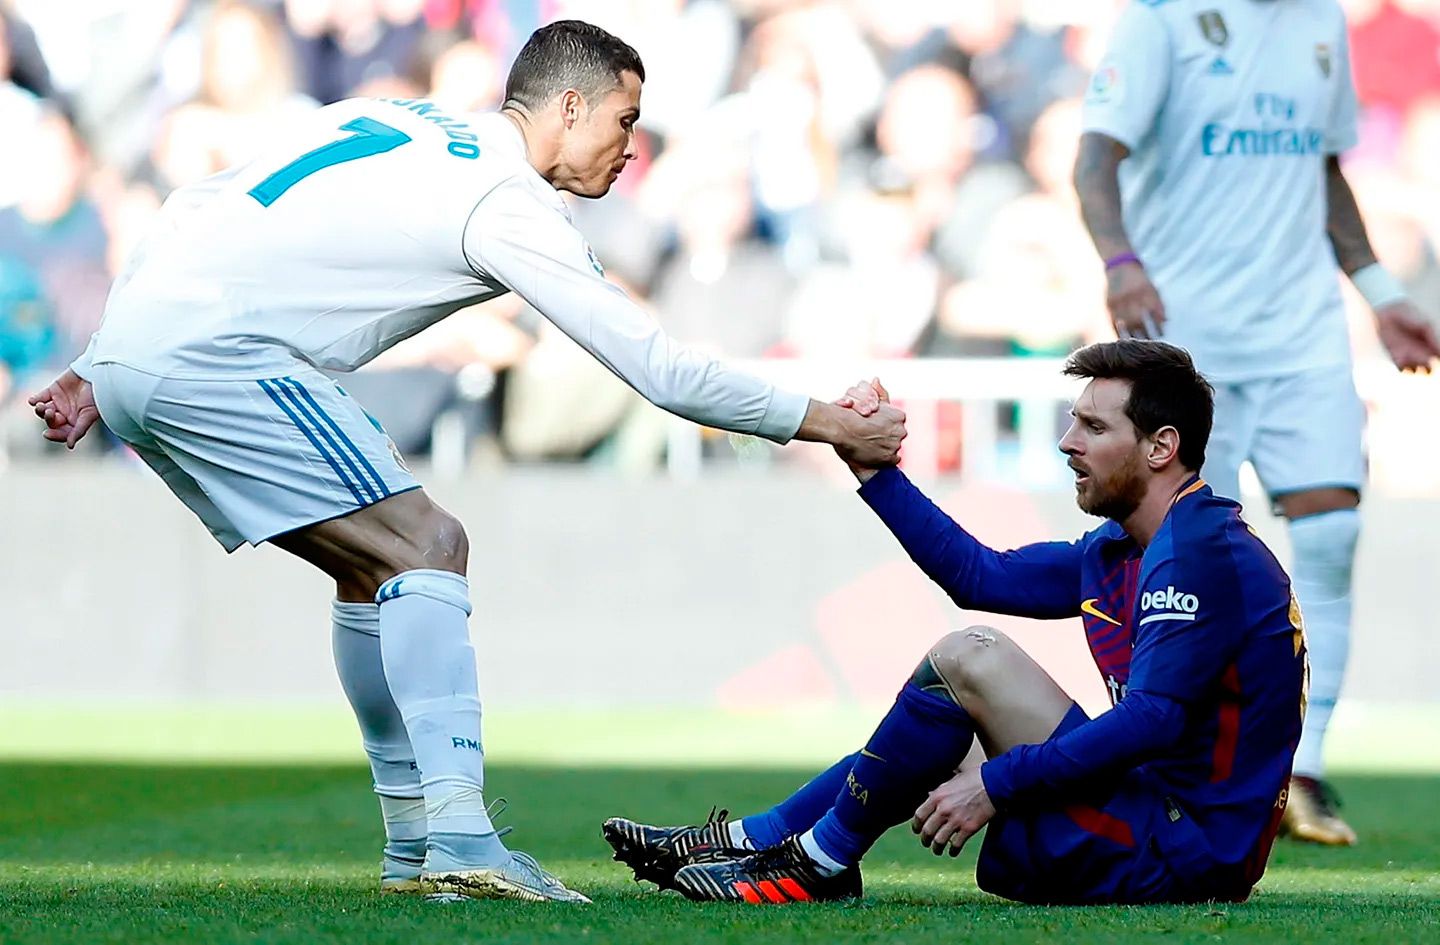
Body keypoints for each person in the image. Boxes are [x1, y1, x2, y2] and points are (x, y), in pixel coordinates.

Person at [27, 19, 905, 904]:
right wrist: (832, 424)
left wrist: (100, 359)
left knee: (377, 571)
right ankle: (459, 836)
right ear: (568, 108)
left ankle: (415, 842)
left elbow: (197, 204)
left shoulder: (396, 115)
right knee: (428, 544)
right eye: (625, 121)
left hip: (148, 338)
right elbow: (661, 371)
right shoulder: (505, 198)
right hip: (218, 354)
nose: (630, 149)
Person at [604, 340, 1306, 905]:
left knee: (973, 658)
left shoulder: (1199, 555)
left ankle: (814, 863)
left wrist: (997, 782)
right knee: (946, 705)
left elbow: (1152, 720)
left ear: (1161, 447)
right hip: (1149, 817)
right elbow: (980, 575)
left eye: (1092, 425)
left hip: (1184, 847)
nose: (1067, 441)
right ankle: (753, 843)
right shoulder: (1129, 546)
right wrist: (875, 470)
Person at [1071, 0, 1440, 846]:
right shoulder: (1161, 21)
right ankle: (1162, 760)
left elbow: (1321, 169)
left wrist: (1381, 294)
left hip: (1303, 330)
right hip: (1185, 336)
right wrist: (1120, 262)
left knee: (1333, 531)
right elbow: (1095, 157)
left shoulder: (1320, 22)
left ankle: (1300, 775)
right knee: (1181, 550)